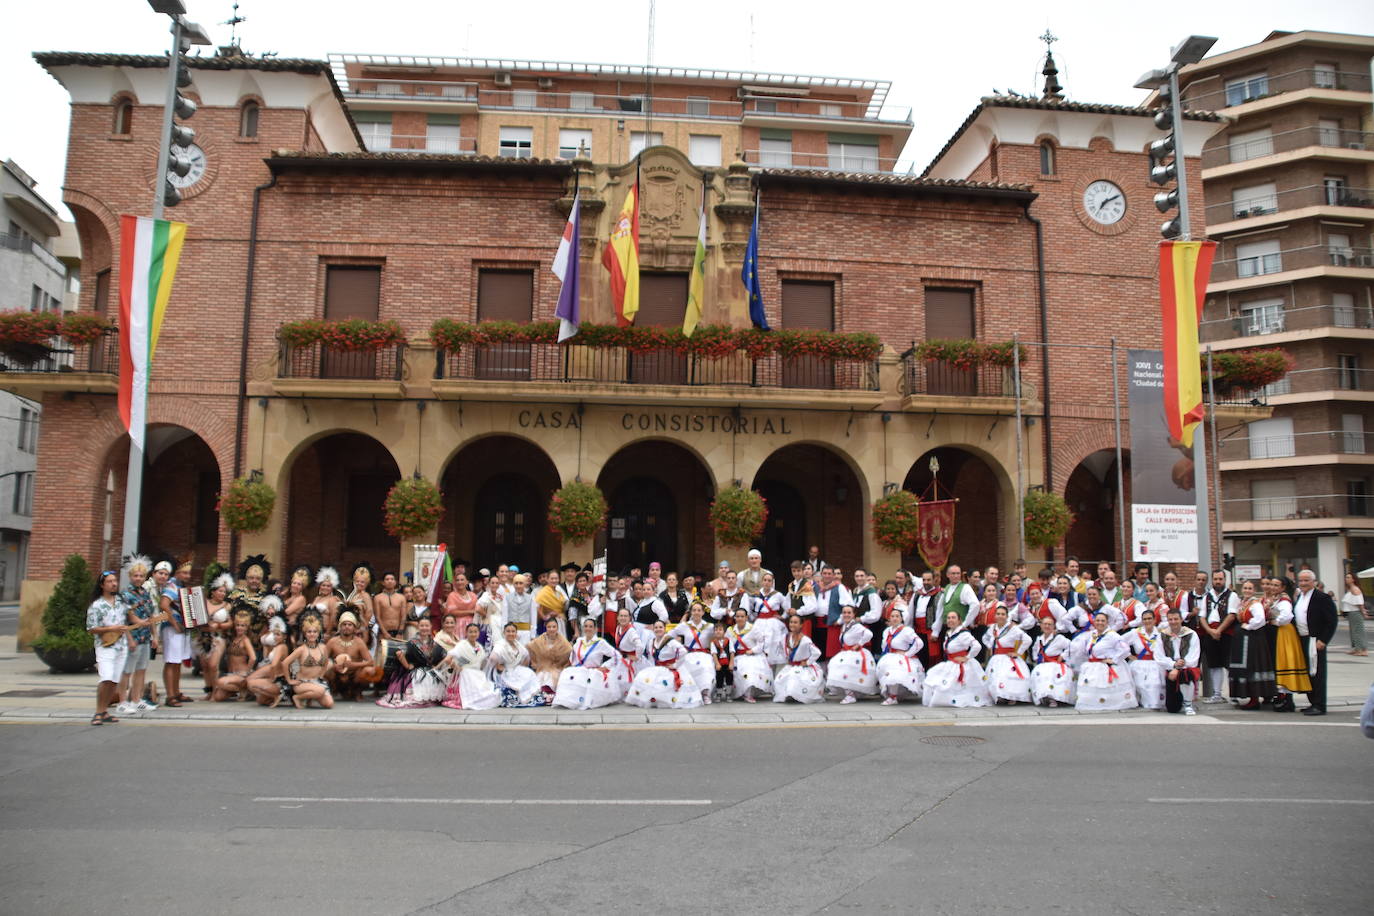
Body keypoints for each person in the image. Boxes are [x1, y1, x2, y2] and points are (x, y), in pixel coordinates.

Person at [116, 556, 161, 716]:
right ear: (130, 576)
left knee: (141, 669)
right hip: (132, 638)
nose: (138, 578)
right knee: (127, 671)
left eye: (141, 576)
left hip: (145, 638)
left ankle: (137, 700)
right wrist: (129, 638)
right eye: (136, 575)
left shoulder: (145, 594)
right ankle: (122, 702)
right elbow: (124, 619)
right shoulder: (125, 595)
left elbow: (151, 617)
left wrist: (155, 637)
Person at [626, 620, 703, 709]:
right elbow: (651, 657)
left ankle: (663, 701)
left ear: (665, 629)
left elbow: (683, 651)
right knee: (643, 677)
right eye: (656, 627)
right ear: (653, 629)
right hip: (657, 668)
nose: (658, 629)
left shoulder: (670, 641)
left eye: (660, 627)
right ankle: (651, 700)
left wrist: (675, 665)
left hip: (668, 669)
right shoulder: (651, 641)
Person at [1292, 570, 1339, 716]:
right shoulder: (1300, 596)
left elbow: (1331, 621)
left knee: (1317, 673)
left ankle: (1320, 704)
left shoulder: (1322, 598)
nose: (1303, 583)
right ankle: (1312, 702)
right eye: (1301, 580)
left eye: (1307, 580)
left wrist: (1324, 640)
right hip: (1302, 638)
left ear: (1314, 582)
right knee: (1308, 672)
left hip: (1315, 640)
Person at [923, 610, 992, 708]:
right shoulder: (949, 633)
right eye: (949, 618)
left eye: (953, 618)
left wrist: (967, 657)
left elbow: (977, 646)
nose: (950, 620)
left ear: (959, 620)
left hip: (961, 664)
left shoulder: (963, 634)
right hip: (951, 663)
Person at [375, 617, 447, 709]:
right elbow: (399, 653)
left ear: (430, 627)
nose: (424, 628)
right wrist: (408, 666)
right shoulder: (412, 642)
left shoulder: (434, 643)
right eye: (422, 625)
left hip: (431, 671)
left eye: (426, 626)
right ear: (418, 627)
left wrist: (437, 666)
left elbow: (445, 655)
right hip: (416, 672)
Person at [551, 617, 622, 710]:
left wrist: (605, 666)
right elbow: (573, 656)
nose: (588, 629)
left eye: (590, 626)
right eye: (586, 626)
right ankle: (566, 701)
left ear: (595, 629)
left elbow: (617, 656)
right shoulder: (580, 641)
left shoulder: (600, 642)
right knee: (566, 674)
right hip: (580, 669)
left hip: (593, 671)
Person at [1071, 612, 1137, 711]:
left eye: (1103, 621)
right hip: (1093, 665)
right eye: (1097, 620)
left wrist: (1114, 659)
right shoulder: (1093, 634)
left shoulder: (1112, 635)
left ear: (1107, 622)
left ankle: (1108, 704)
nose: (1100, 623)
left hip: (1105, 666)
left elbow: (1125, 649)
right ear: (1094, 622)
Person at [87, 570, 128, 725]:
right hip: (105, 646)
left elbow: (128, 621)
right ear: (102, 585)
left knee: (114, 681)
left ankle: (105, 711)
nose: (114, 584)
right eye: (110, 581)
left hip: (121, 646)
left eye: (115, 580)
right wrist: (111, 629)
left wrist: (145, 622)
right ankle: (98, 711)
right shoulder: (96, 605)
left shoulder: (121, 602)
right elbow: (91, 628)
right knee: (106, 678)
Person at [1229, 579, 1277, 709]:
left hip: (1253, 639)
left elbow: (1260, 620)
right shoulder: (1243, 603)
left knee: (1253, 667)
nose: (1247, 591)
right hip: (1244, 639)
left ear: (1254, 590)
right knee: (1245, 667)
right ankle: (1250, 696)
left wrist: (1248, 626)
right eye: (1245, 588)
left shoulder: (1255, 604)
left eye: (1250, 588)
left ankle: (1254, 698)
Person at [156, 560, 196, 707]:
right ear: (177, 573)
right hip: (172, 628)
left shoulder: (180, 586)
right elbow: (164, 604)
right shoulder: (172, 585)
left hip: (181, 627)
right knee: (172, 661)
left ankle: (176, 692)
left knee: (177, 661)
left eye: (188, 573)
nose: (187, 575)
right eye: (184, 572)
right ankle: (170, 695)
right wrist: (174, 623)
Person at [1267, 577, 1308, 712]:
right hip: (1279, 633)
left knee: (1284, 663)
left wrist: (1275, 621)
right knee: (1280, 663)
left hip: (1284, 633)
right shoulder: (1277, 599)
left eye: (1276, 585)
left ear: (1283, 587)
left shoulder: (1284, 600)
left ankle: (1287, 698)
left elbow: (1287, 616)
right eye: (1272, 585)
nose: (1273, 587)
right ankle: (1283, 697)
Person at [1198, 571, 1238, 703]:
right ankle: (1217, 694)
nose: (1218, 581)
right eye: (1215, 579)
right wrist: (1210, 631)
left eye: (1220, 579)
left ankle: (1234, 694)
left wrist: (1219, 630)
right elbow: (1202, 616)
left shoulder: (1232, 595)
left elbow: (1232, 615)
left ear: (1225, 580)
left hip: (1226, 633)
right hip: (1210, 633)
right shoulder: (1207, 597)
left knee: (1229, 664)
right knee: (1214, 664)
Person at [442, 623, 501, 710]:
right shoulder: (462, 644)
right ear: (466, 633)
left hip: (477, 674)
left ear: (478, 633)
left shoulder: (479, 646)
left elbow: (480, 663)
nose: (473, 634)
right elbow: (448, 659)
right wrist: (456, 667)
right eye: (470, 632)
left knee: (488, 692)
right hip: (465, 673)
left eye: (475, 632)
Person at [325, 611, 380, 702]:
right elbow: (322, 660)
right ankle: (332, 691)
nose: (347, 626)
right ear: (340, 627)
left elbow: (370, 662)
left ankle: (358, 692)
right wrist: (334, 666)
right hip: (337, 675)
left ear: (354, 628)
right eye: (344, 624)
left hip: (354, 675)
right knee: (324, 667)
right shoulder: (332, 642)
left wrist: (353, 665)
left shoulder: (359, 642)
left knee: (370, 671)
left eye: (350, 625)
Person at [982, 605, 1032, 705]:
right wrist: (990, 646)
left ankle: (1009, 696)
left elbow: (1028, 640)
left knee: (1006, 676)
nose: (1000, 616)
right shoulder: (992, 628)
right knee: (995, 676)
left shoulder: (1012, 628)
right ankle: (998, 696)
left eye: (1003, 614)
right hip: (995, 658)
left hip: (1008, 658)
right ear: (995, 615)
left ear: (1007, 616)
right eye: (998, 614)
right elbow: (985, 638)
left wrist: (1018, 652)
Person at [826, 606, 877, 704]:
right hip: (846, 652)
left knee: (846, 671)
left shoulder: (856, 626)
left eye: (849, 613)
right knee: (842, 671)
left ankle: (850, 695)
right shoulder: (846, 625)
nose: (846, 615)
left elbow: (869, 634)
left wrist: (859, 644)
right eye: (844, 612)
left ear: (854, 614)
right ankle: (851, 693)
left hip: (855, 654)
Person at [283, 616, 334, 709]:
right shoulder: (301, 649)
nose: (312, 634)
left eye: (315, 632)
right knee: (320, 691)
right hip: (302, 683)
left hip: (317, 682)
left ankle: (310, 697)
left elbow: (326, 662)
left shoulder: (323, 647)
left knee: (329, 704)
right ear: (305, 634)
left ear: (318, 633)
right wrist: (289, 680)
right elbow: (285, 663)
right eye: (309, 632)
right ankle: (297, 697)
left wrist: (321, 675)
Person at [669, 602, 716, 706]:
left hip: (704, 654)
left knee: (706, 667)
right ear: (690, 612)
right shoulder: (684, 626)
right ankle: (691, 694)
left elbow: (719, 638)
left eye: (699, 610)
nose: (696, 613)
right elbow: (669, 635)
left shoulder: (709, 626)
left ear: (703, 612)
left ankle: (705, 693)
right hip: (689, 654)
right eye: (694, 610)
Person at [773, 614, 824, 704]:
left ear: (801, 625)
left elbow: (817, 652)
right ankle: (788, 694)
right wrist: (786, 658)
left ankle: (796, 695)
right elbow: (780, 649)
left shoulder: (805, 640)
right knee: (780, 679)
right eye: (791, 622)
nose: (792, 624)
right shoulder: (785, 638)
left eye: (795, 622)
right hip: (791, 665)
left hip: (803, 667)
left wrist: (807, 662)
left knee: (795, 677)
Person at [876, 607, 923, 705]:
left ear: (901, 618)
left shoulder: (906, 630)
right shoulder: (887, 631)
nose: (894, 618)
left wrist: (907, 654)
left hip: (901, 658)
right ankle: (892, 695)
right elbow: (884, 646)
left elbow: (919, 642)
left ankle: (893, 697)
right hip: (890, 656)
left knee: (895, 674)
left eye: (897, 616)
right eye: (892, 616)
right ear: (889, 619)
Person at [1159, 608, 1201, 715]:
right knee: (1172, 708)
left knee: (1185, 673)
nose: (1173, 622)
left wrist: (1178, 667)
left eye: (1176, 619)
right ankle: (1178, 701)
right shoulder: (1163, 635)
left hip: (1186, 667)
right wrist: (1173, 665)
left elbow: (1193, 656)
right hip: (1170, 668)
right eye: (1170, 619)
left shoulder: (1191, 634)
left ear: (1181, 619)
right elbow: (1159, 655)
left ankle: (1188, 703)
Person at [727, 607, 774, 702]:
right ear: (735, 618)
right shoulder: (730, 630)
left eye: (742, 616)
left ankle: (748, 694)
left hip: (752, 655)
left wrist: (752, 650)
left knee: (750, 669)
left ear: (746, 617)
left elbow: (761, 643)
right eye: (738, 616)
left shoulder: (753, 628)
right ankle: (738, 692)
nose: (740, 618)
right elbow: (726, 644)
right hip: (736, 656)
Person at [1122, 609, 1167, 710]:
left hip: (1155, 664)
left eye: (1149, 618)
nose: (1147, 621)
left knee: (1154, 684)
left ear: (1155, 620)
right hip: (1139, 663)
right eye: (1145, 619)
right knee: (1139, 684)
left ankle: (1153, 703)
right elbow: (1119, 641)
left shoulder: (1161, 633)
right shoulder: (1135, 632)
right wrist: (1128, 655)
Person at [489, 623, 542, 707]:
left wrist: (521, 668)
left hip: (515, 669)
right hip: (504, 671)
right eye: (508, 631)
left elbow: (526, 657)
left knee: (529, 673)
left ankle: (529, 696)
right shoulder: (500, 644)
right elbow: (492, 658)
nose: (511, 633)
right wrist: (498, 666)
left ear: (516, 633)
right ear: (504, 633)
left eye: (513, 631)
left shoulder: (518, 644)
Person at [1029, 615, 1075, 707]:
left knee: (1051, 677)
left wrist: (1063, 656)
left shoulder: (1059, 638)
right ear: (1041, 626)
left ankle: (1053, 698)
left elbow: (1072, 646)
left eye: (1049, 624)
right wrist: (1036, 658)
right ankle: (1043, 696)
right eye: (1045, 624)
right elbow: (1035, 650)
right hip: (1042, 664)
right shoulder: (1039, 639)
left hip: (1055, 665)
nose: (1047, 626)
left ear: (1054, 626)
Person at [212, 611, 259, 701]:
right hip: (231, 674)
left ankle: (244, 689)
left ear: (247, 627)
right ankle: (237, 691)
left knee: (219, 681)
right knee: (218, 697)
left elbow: (253, 658)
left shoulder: (246, 640)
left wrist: (247, 672)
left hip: (241, 674)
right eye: (237, 625)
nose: (239, 628)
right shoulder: (233, 638)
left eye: (243, 626)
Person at [248, 617, 290, 707]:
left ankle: (277, 695)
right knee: (261, 701)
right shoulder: (278, 646)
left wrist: (271, 679)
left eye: (278, 635)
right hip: (277, 678)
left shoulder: (281, 647)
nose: (275, 637)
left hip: (279, 682)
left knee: (251, 684)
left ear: (284, 636)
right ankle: (273, 695)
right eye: (274, 634)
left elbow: (274, 665)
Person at [527, 616, 572, 694]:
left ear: (557, 628)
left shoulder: (563, 641)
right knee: (540, 678)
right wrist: (535, 663)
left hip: (557, 668)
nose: (551, 629)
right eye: (549, 627)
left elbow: (569, 651)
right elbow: (530, 647)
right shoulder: (540, 640)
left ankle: (550, 694)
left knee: (551, 677)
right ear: (546, 627)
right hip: (542, 668)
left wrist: (561, 665)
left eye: (554, 627)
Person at [752, 572, 788, 665]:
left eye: (769, 581)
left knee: (773, 644)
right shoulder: (756, 594)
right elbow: (750, 608)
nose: (767, 582)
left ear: (772, 583)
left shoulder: (778, 595)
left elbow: (788, 607)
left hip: (773, 623)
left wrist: (783, 616)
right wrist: (753, 618)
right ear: (762, 582)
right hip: (759, 622)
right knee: (759, 643)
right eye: (765, 580)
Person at [375, 572, 407, 643]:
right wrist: (384, 632)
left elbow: (403, 616)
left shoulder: (401, 597)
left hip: (398, 632)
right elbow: (377, 617)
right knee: (383, 653)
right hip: (383, 632)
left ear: (395, 582)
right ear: (383, 582)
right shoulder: (378, 598)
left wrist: (400, 632)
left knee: (398, 653)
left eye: (392, 579)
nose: (390, 581)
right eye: (387, 579)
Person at [1341, 572, 1368, 656]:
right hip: (1352, 612)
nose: (1346, 579)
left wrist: (1363, 611)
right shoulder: (1351, 589)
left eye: (1348, 577)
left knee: (1358, 631)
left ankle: (1362, 650)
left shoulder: (1355, 589)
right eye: (1346, 577)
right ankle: (1357, 648)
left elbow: (1359, 602)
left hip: (1355, 612)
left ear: (1353, 579)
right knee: (1354, 631)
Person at [446, 572, 480, 637]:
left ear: (467, 582)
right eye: (457, 580)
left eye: (462, 580)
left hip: (472, 625)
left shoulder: (473, 595)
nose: (460, 582)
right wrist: (470, 611)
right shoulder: (452, 595)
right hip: (457, 626)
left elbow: (477, 610)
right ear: (455, 583)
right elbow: (452, 612)